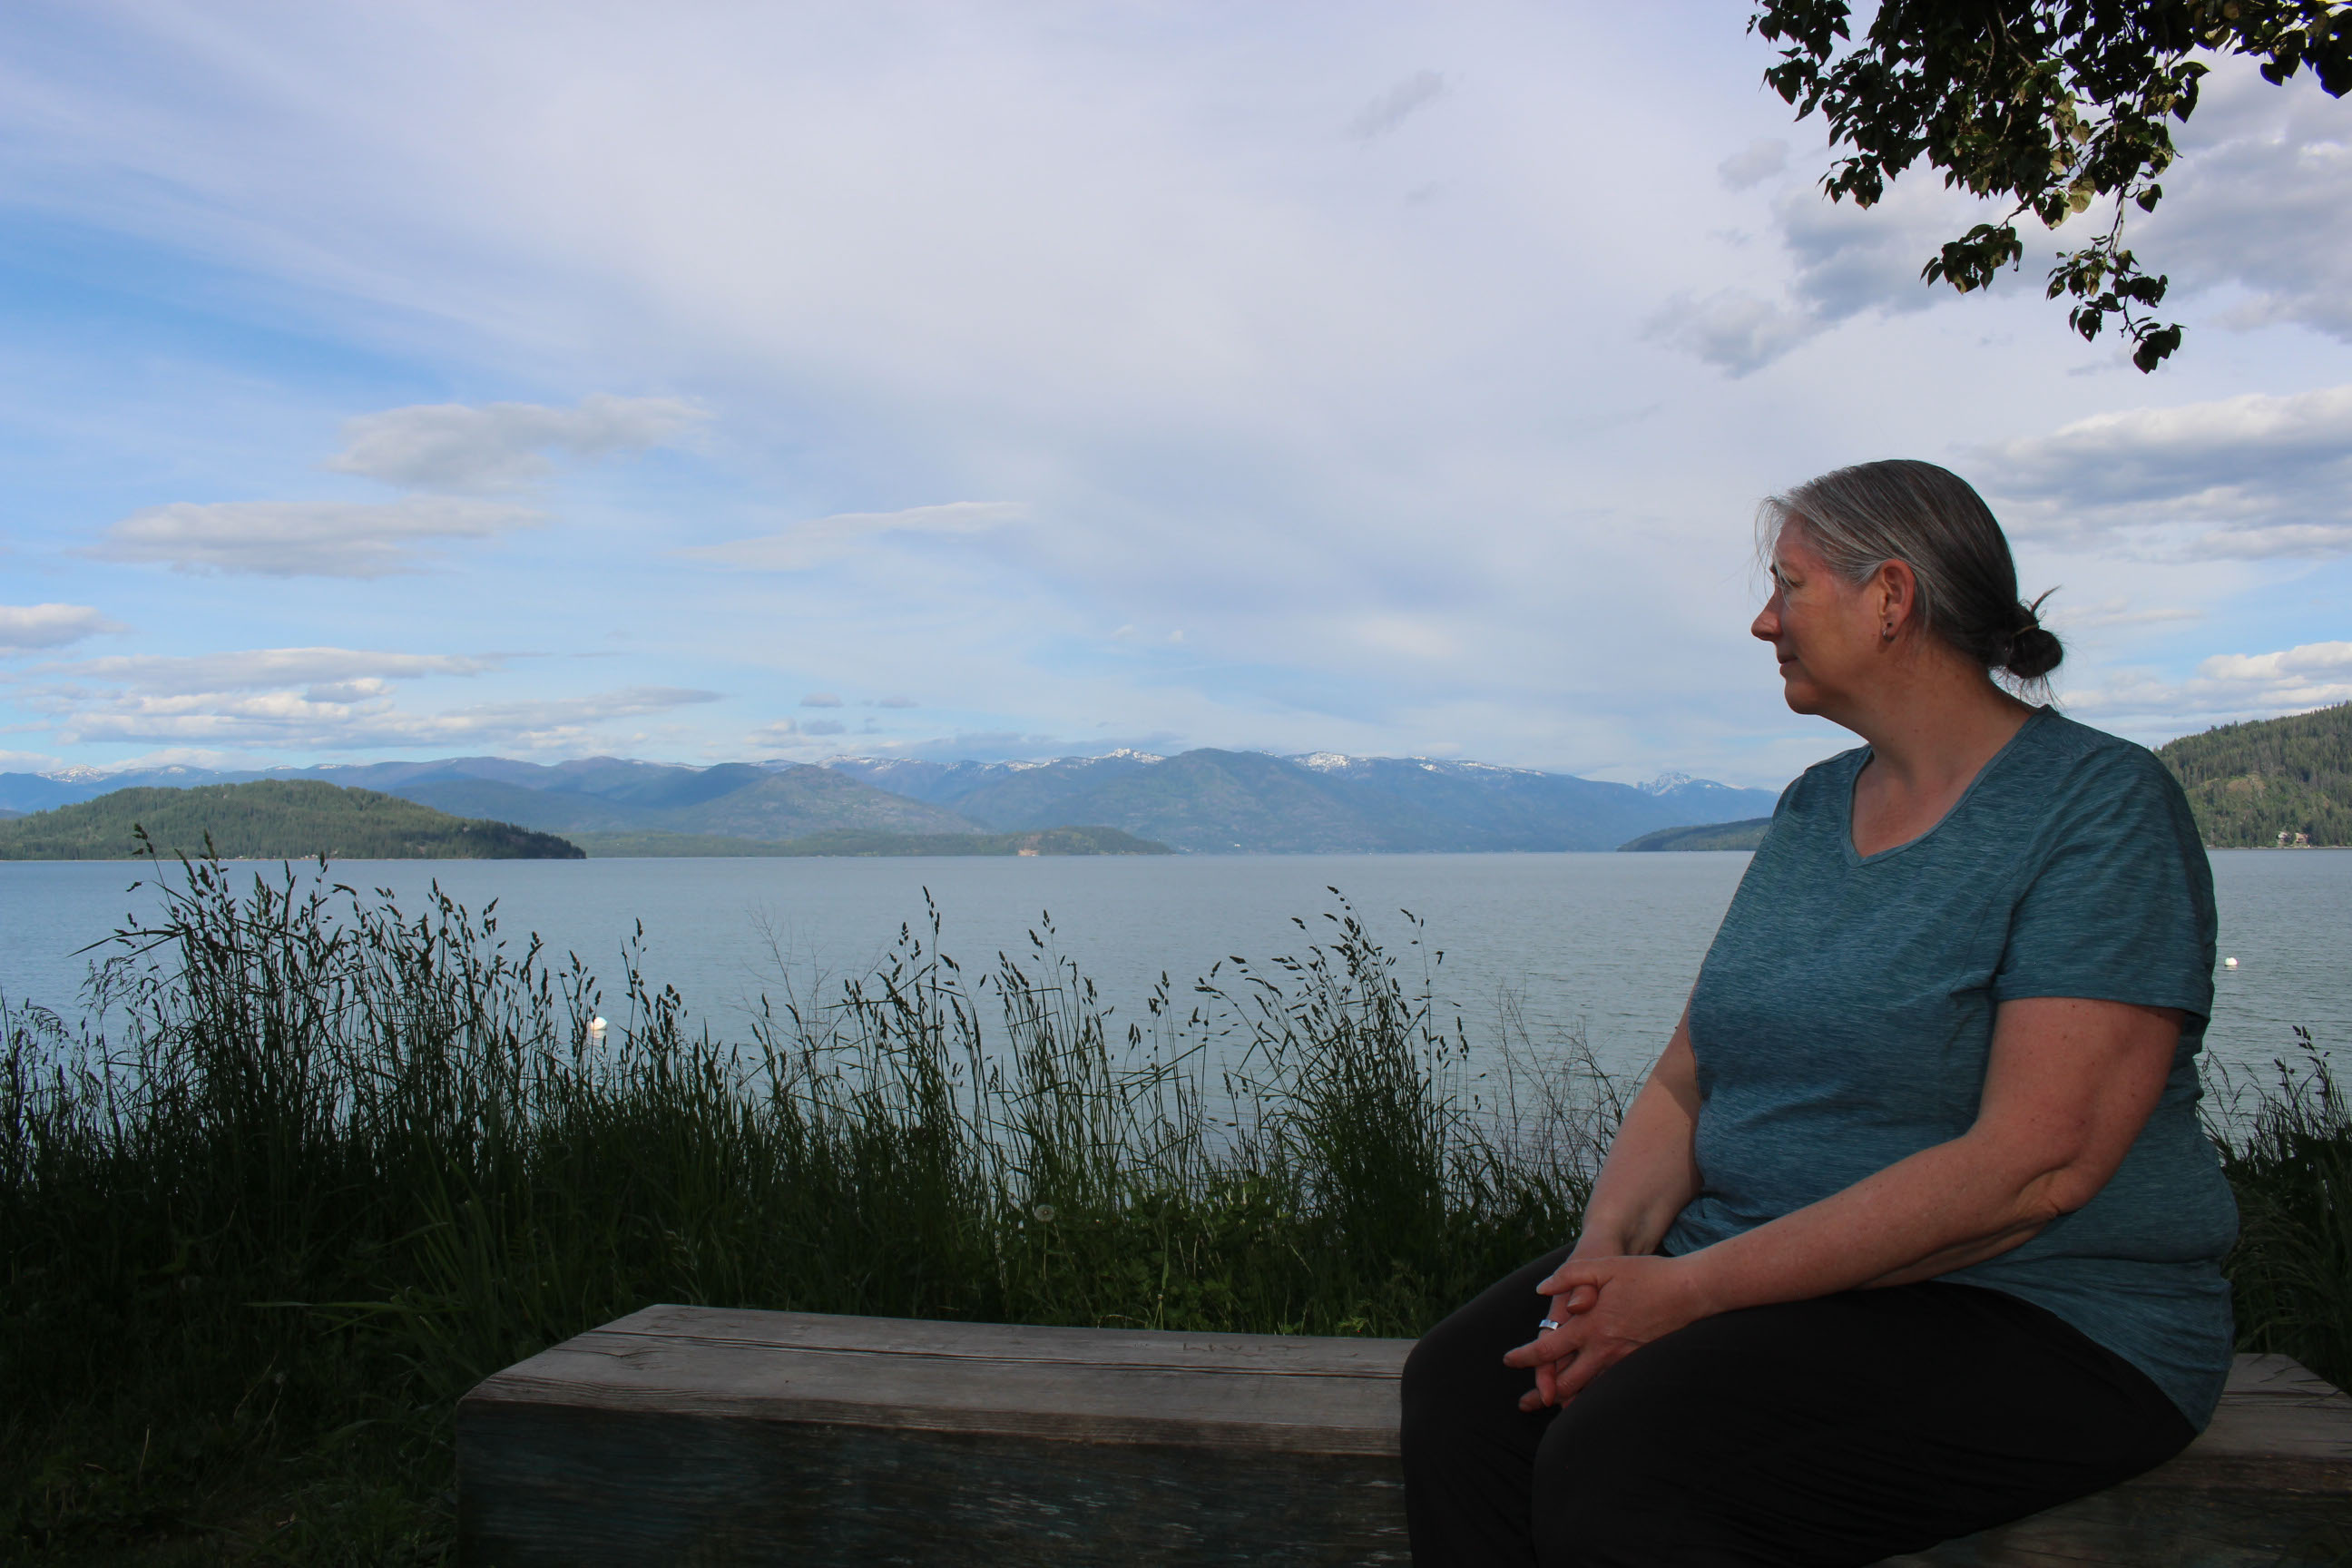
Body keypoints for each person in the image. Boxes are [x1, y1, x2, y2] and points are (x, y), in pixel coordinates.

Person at [1399, 459, 2236, 1567]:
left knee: (1631, 1458)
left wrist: (1689, 1292)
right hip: (1769, 1275)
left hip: (2035, 1311)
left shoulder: (2099, 808)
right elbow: (1686, 1080)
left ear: (1891, 598)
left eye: (1787, 586)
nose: (1762, 620)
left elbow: (2039, 1167)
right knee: (1467, 1389)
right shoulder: (1811, 808)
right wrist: (1599, 1262)